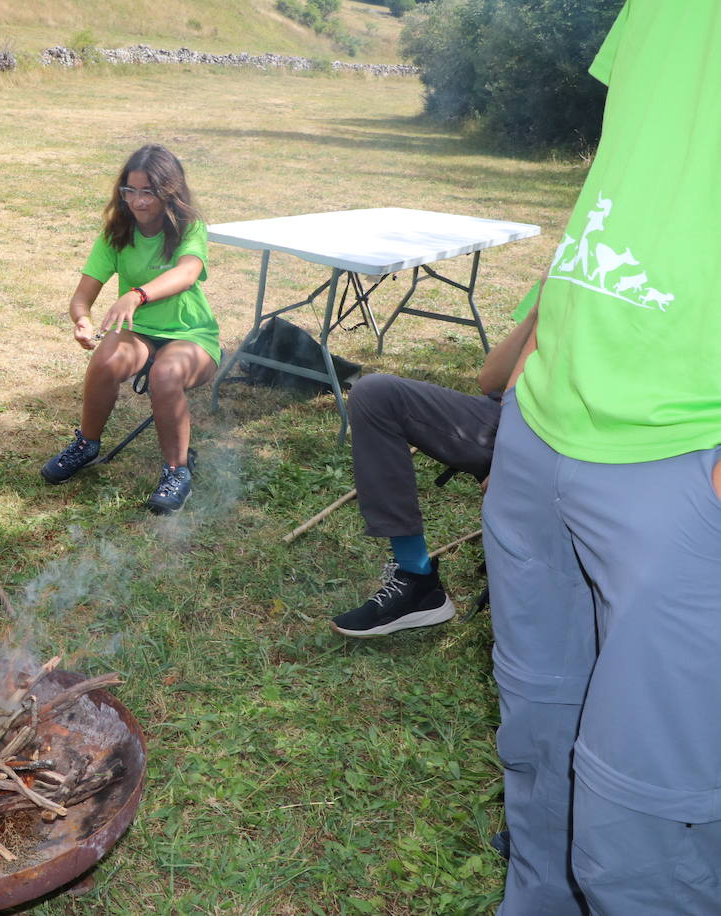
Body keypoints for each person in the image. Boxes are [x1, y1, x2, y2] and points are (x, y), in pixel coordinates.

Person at [481, 3, 721, 912]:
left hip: (687, 450)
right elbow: (640, 167)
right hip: (547, 428)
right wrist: (545, 354)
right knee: (540, 740)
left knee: (647, 826)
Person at [329, 304, 538, 638]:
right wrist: (538, 312)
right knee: (376, 394)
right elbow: (491, 381)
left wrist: (520, 457)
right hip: (510, 419)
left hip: (574, 439)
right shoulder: (574, 267)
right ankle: (417, 580)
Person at [39, 144, 221, 514]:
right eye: (130, 191)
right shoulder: (117, 234)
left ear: (170, 192)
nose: (138, 202)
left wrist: (136, 295)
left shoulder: (190, 228)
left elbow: (186, 274)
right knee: (106, 359)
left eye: (148, 192)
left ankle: (177, 470)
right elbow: (82, 297)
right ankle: (87, 444)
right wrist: (82, 320)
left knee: (167, 375)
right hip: (139, 331)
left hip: (191, 334)